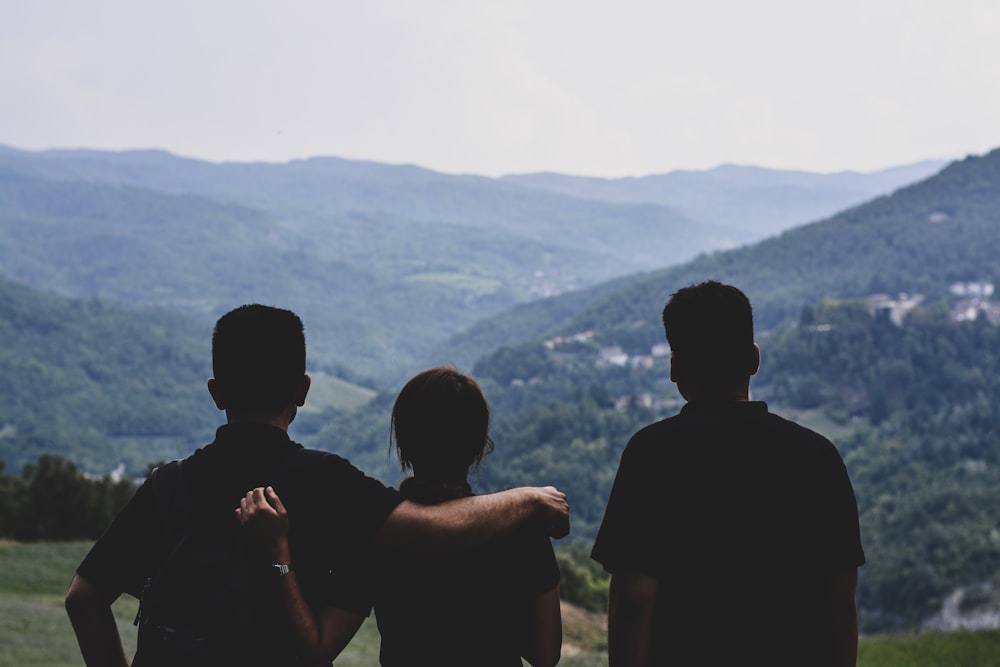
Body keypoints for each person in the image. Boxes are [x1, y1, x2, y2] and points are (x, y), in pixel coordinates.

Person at [65, 305, 569, 667]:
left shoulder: (166, 486)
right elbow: (435, 528)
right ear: (303, 390)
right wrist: (528, 498)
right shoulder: (327, 482)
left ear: (216, 393)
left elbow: (84, 599)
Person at [591, 281, 865, 667]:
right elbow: (839, 603)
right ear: (754, 359)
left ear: (675, 367)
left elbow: (635, 597)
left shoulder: (651, 454)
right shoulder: (817, 456)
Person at [239, 366, 563, 666]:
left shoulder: (374, 535)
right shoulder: (522, 527)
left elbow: (317, 646)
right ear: (479, 445)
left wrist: (278, 551)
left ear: (403, 444)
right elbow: (545, 655)